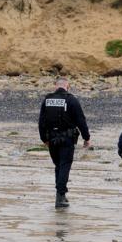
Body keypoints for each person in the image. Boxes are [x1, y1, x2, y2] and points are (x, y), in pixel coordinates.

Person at [38, 77, 91, 208]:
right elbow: (81, 120)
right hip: (67, 140)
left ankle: (60, 195)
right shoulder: (71, 100)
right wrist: (86, 137)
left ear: (56, 86)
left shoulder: (47, 100)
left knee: (58, 166)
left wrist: (44, 139)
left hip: (51, 140)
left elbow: (41, 121)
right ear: (67, 86)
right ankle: (60, 196)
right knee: (64, 166)